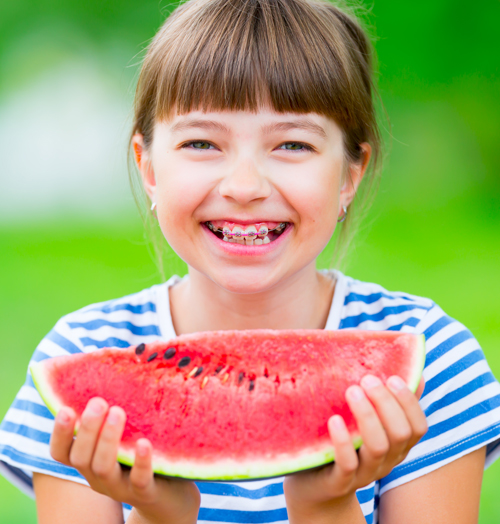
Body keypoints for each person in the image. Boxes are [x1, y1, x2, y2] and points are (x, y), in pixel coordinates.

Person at [1, 0, 499, 522]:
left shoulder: (432, 365)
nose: (244, 187)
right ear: (148, 168)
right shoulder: (80, 358)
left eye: (292, 144)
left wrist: (325, 508)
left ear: (351, 174)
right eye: (201, 142)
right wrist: (160, 515)